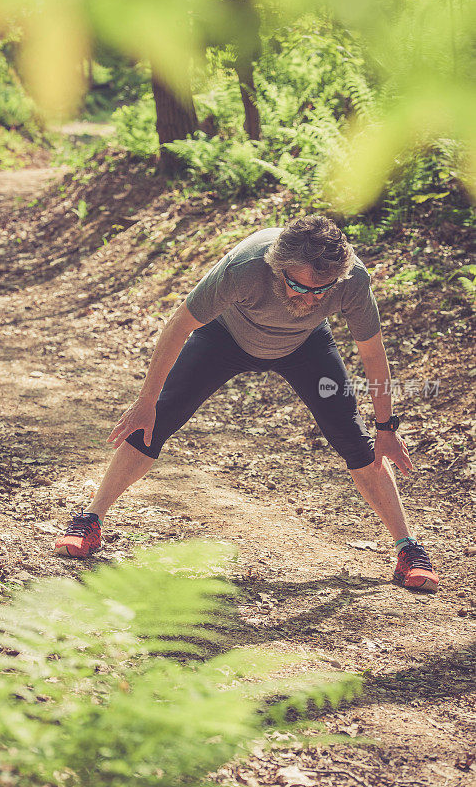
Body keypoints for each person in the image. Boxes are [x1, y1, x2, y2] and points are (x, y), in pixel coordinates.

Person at [54, 215, 439, 593]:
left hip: (304, 345)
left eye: (321, 291)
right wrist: (146, 400)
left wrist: (386, 429)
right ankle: (90, 519)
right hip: (226, 338)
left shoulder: (352, 279)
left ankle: (408, 548)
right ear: (277, 268)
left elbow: (373, 355)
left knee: (356, 440)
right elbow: (178, 325)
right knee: (156, 418)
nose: (309, 298)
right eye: (298, 287)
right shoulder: (245, 267)